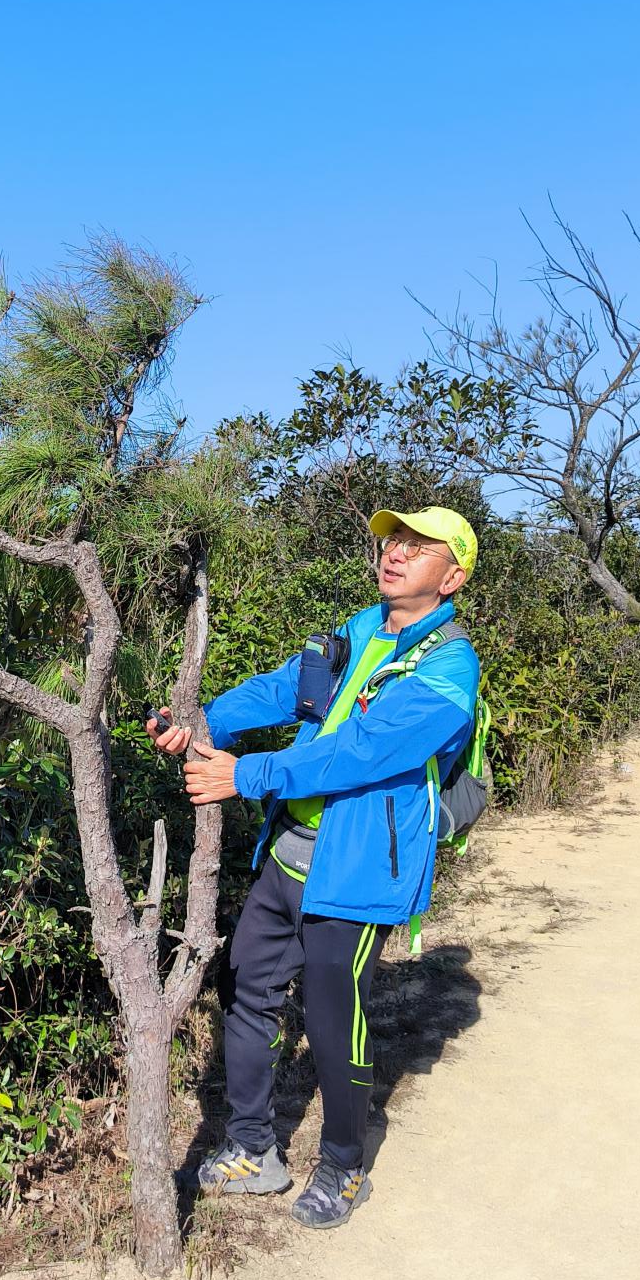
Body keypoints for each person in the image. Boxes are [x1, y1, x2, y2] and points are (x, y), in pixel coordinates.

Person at [146, 506, 480, 1230]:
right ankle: (253, 1150)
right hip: (289, 854)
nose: (396, 553)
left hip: (358, 875)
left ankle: (344, 1165)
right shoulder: (362, 629)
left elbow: (363, 751)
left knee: (335, 1022)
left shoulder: (450, 669)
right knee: (247, 991)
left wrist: (246, 775)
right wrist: (201, 724)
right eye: (394, 541)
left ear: (452, 578)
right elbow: (284, 690)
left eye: (419, 547)